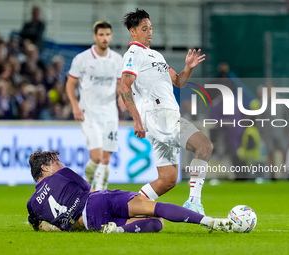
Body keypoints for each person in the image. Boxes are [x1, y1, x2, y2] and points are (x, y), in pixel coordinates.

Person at [120, 9, 212, 215]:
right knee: (204, 145)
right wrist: (136, 120)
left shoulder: (156, 55)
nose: (149, 32)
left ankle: (130, 209)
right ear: (133, 32)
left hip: (165, 116)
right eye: (144, 29)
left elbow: (178, 81)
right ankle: (194, 203)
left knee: (168, 179)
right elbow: (124, 86)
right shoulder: (134, 53)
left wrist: (188, 68)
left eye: (151, 28)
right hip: (159, 116)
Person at [26, 150, 233, 233]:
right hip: (97, 201)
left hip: (90, 224)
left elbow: (36, 224)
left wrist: (54, 227)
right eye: (56, 162)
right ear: (45, 168)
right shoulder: (63, 175)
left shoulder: (32, 204)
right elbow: (89, 190)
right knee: (157, 213)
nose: (60, 164)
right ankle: (207, 221)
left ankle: (118, 230)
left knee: (155, 225)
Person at [66, 21, 124, 191]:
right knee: (97, 157)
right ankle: (87, 182)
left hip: (110, 114)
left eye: (107, 35)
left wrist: (121, 97)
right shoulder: (82, 59)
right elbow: (70, 84)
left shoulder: (117, 59)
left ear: (111, 36)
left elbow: (121, 84)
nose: (104, 38)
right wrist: (75, 106)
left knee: (106, 158)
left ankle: (100, 191)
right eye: (101, 35)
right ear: (95, 37)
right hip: (89, 113)